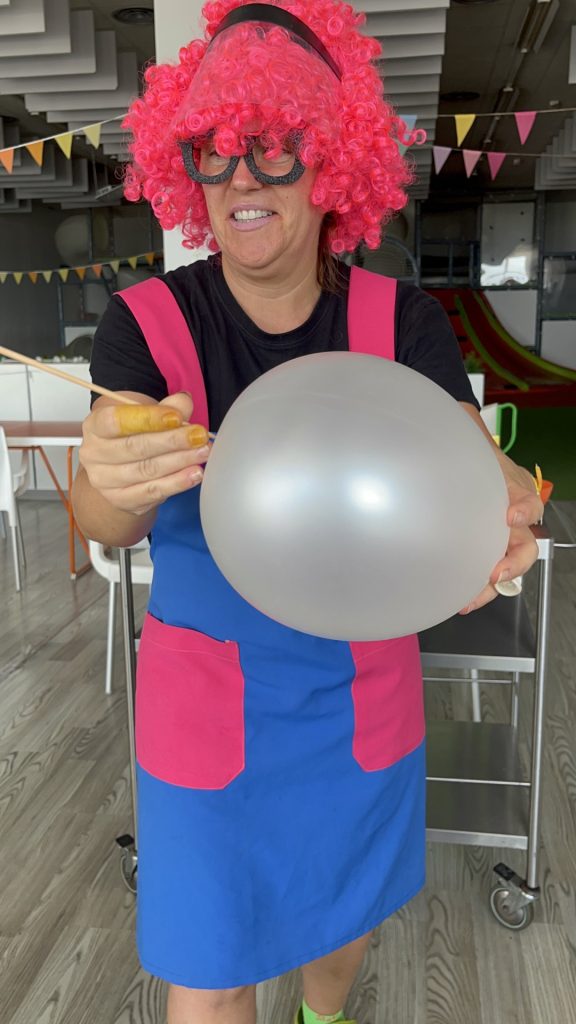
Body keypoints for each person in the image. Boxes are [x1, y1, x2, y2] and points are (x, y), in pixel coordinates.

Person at [71, 2, 543, 1022]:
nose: (241, 177)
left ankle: (320, 1016)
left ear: (333, 162)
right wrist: (102, 475)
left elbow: (468, 454)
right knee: (210, 969)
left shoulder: (401, 319)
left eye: (275, 146)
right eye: (213, 148)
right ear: (186, 166)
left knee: (342, 927)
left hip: (355, 694)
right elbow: (105, 524)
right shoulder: (147, 324)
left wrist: (500, 502)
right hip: (207, 704)